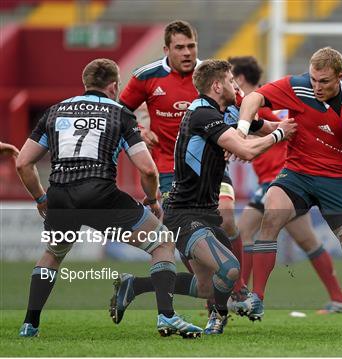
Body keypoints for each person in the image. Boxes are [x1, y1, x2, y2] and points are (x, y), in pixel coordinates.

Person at [15, 58, 203, 338]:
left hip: (60, 196)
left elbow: (23, 163)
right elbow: (148, 168)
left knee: (53, 255)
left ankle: (30, 324)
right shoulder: (120, 114)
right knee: (162, 242)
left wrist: (41, 198)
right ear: (114, 85)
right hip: (100, 194)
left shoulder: (55, 111)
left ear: (86, 83)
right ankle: (167, 317)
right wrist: (152, 200)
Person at [110, 59, 296, 335]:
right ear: (218, 85)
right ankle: (218, 317)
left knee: (205, 286)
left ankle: (134, 286)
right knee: (231, 270)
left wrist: (293, 125)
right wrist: (281, 134)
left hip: (206, 212)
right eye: (232, 81)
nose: (236, 86)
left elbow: (262, 127)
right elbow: (245, 151)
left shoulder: (221, 111)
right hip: (185, 213)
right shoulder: (202, 115)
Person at [236, 47, 342, 334]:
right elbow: (254, 97)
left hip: (337, 180)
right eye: (314, 79)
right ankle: (258, 298)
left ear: (340, 77)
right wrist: (242, 131)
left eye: (324, 81)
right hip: (296, 174)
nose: (316, 86)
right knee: (271, 213)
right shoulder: (297, 85)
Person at [119, 19, 247, 296]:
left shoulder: (210, 75)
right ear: (166, 49)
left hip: (210, 167)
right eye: (180, 47)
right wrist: (140, 130)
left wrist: (235, 133)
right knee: (186, 236)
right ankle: (213, 293)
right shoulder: (146, 76)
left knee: (226, 217)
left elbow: (243, 106)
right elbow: (121, 112)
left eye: (191, 46)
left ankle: (239, 287)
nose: (187, 53)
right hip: (167, 170)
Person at [230, 56, 342, 313]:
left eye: (231, 78)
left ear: (240, 79)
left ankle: (240, 295)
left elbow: (278, 131)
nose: (229, 82)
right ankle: (339, 299)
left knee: (244, 230)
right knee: (308, 242)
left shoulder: (255, 106)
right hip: (283, 180)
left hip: (280, 180)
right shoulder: (256, 105)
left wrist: (244, 145)